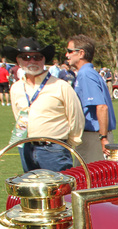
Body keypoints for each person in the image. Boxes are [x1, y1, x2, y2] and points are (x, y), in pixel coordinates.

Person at [4, 37, 84, 172]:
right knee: (32, 191)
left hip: (54, 150)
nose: (32, 61)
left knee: (60, 192)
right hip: (25, 147)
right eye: (26, 57)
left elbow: (76, 118)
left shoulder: (61, 86)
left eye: (37, 57)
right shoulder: (16, 88)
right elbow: (18, 115)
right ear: (18, 60)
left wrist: (65, 145)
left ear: (43, 60)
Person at [66, 34, 117, 163]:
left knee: (88, 180)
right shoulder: (88, 73)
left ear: (81, 53)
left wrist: (103, 138)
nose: (67, 55)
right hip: (94, 136)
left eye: (69, 51)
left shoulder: (86, 74)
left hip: (93, 137)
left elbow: (101, 107)